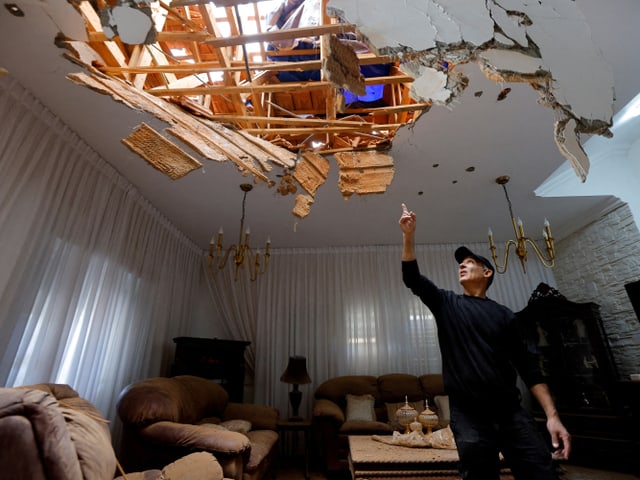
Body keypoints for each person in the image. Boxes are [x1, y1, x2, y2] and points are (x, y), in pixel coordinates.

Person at [399, 203, 570, 480]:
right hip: (468, 416)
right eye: (460, 264)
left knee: (542, 473)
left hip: (511, 412)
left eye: (469, 262)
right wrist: (408, 235)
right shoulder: (447, 304)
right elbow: (412, 278)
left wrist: (552, 416)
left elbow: (530, 370)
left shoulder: (505, 316)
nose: (462, 266)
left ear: (487, 272)